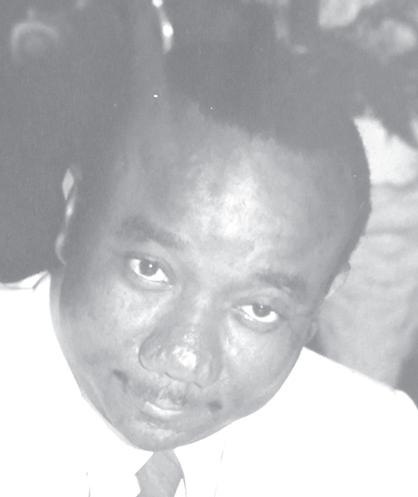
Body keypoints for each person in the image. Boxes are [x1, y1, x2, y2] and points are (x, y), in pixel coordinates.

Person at [1, 3, 417, 496]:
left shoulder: (376, 447)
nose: (184, 357)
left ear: (323, 297)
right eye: (150, 269)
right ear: (73, 216)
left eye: (259, 309)